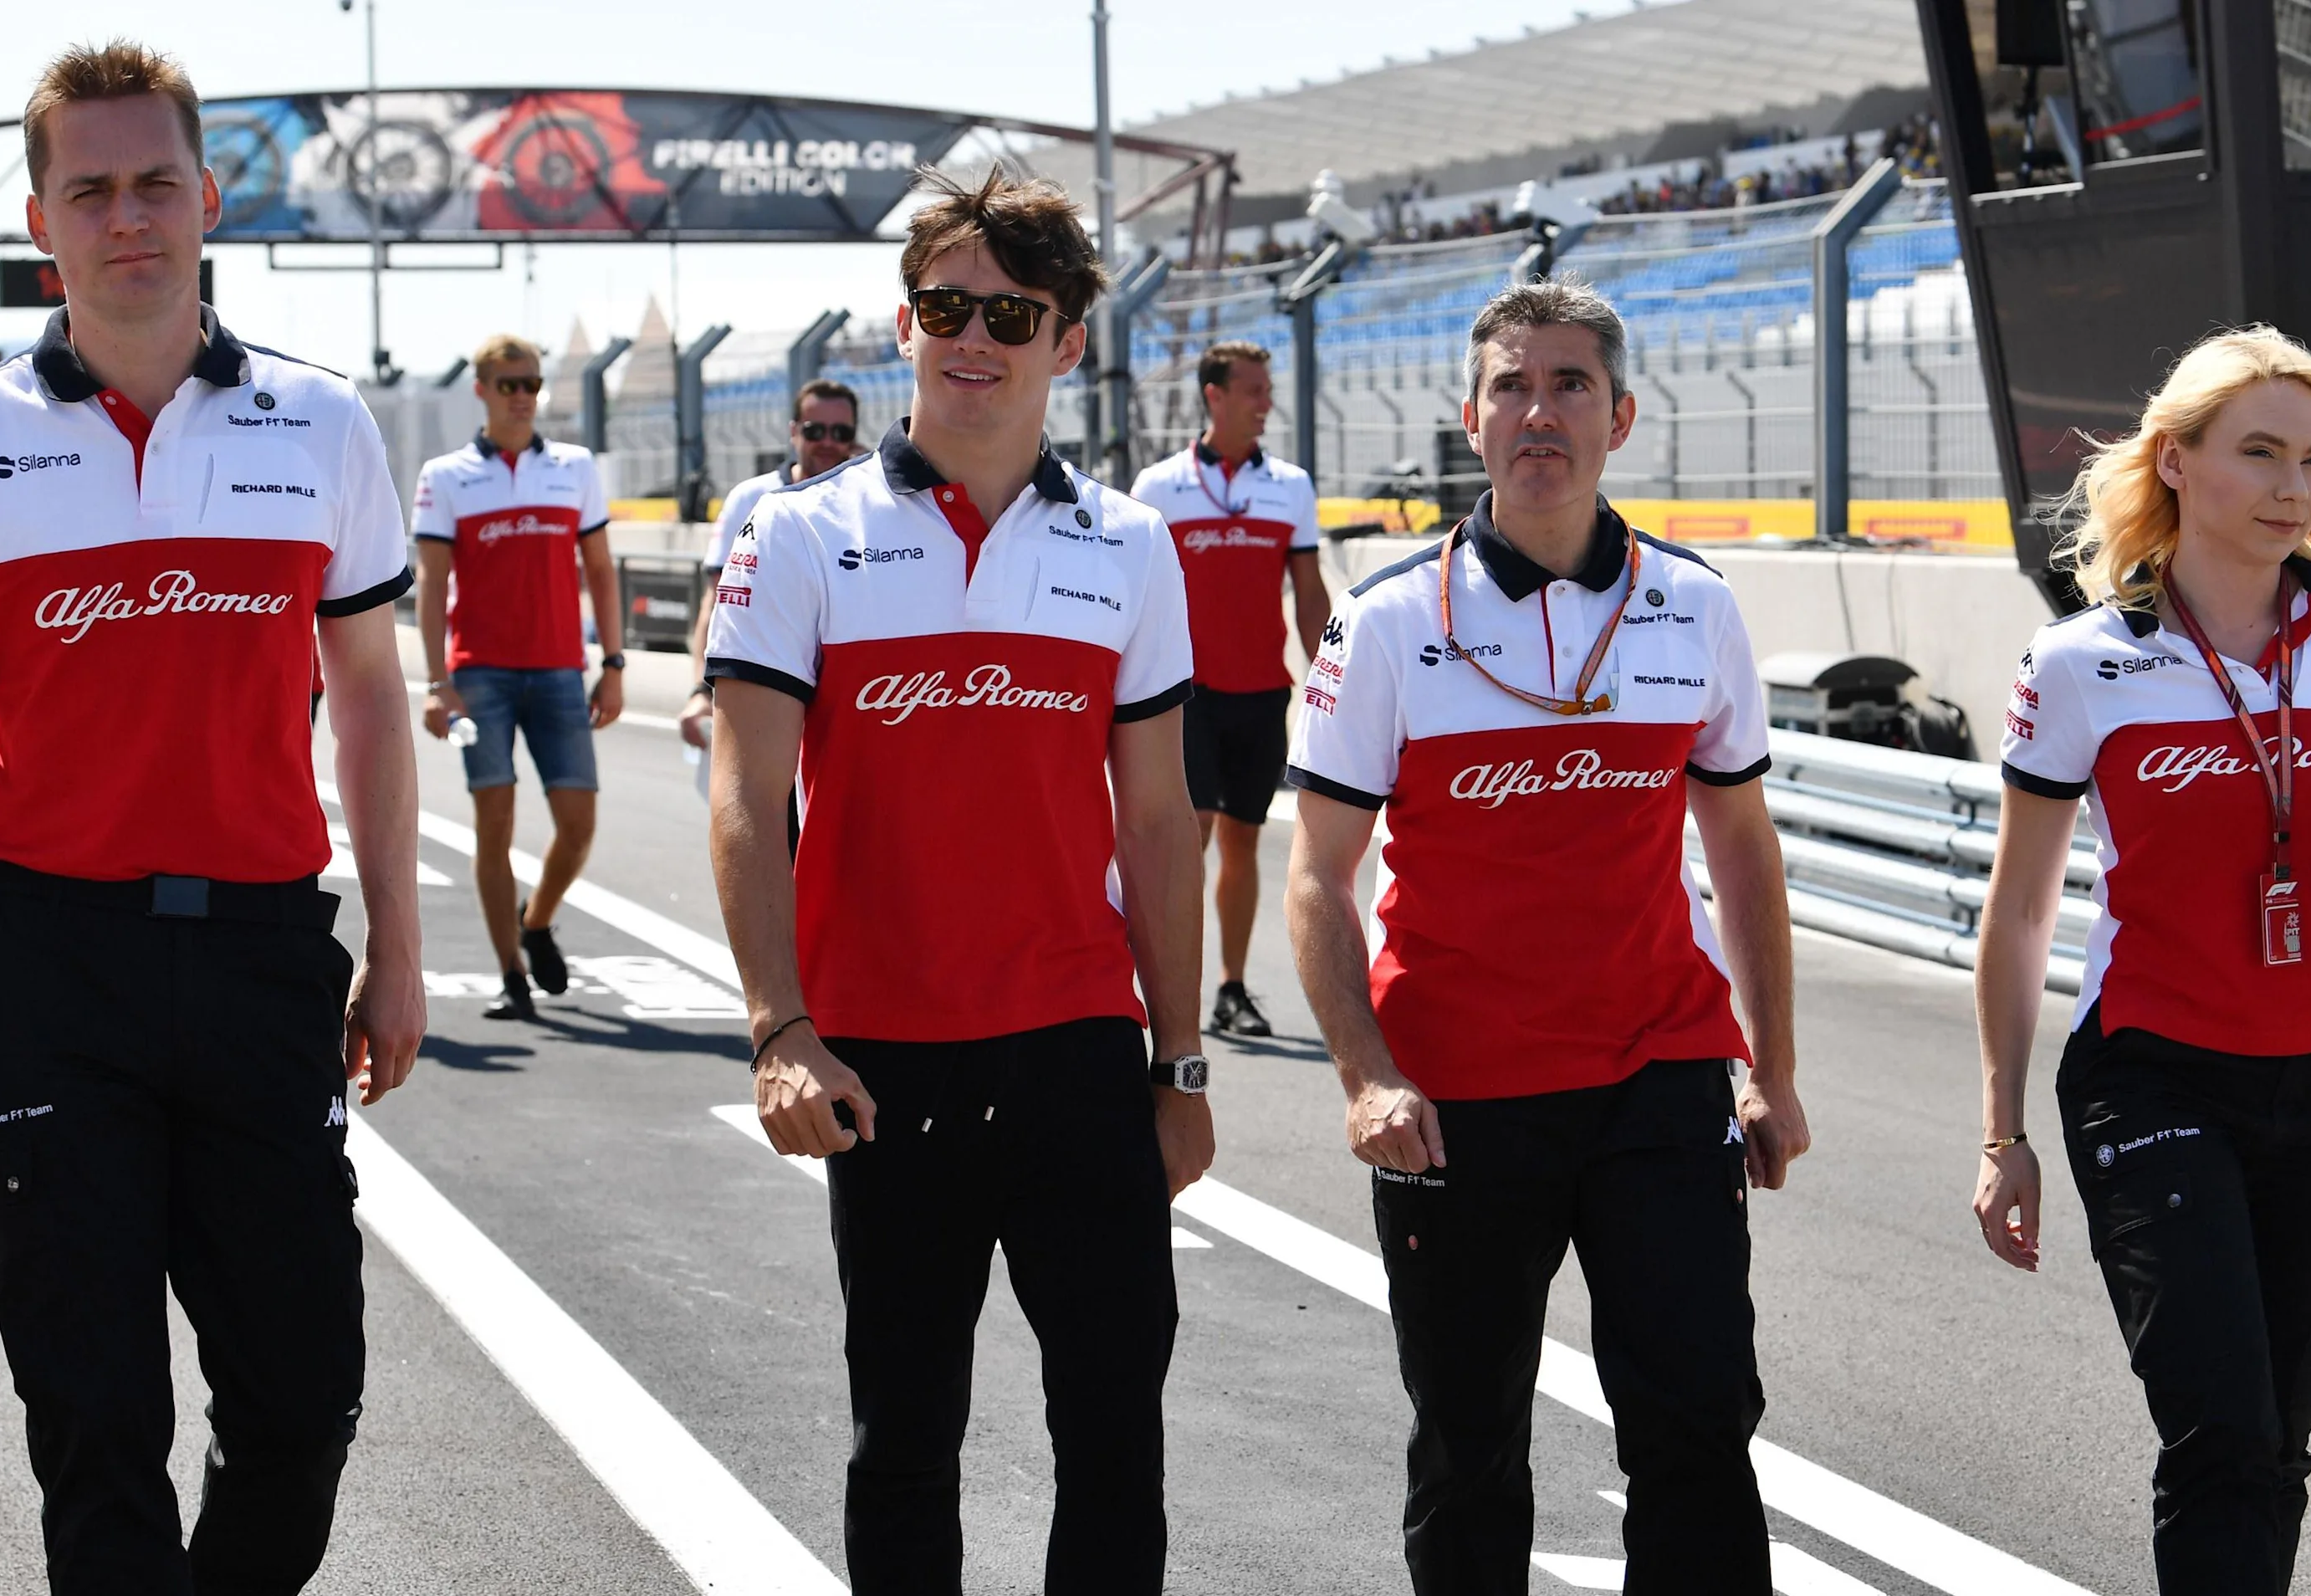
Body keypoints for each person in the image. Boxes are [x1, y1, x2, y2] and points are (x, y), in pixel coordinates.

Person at [0, 41, 425, 1595]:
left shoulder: (322, 428)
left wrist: (402, 950)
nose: (128, 217)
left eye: (154, 182)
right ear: (41, 221)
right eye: (89, 189)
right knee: (95, 1426)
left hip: (261, 956)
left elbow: (370, 696)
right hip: (54, 960)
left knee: (303, 1406)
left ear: (207, 197)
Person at [706, 164, 1214, 1594]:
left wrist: (1178, 1063)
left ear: (1065, 342)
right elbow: (745, 792)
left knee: (1115, 1437)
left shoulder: (1128, 543)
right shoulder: (797, 531)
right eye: (946, 304)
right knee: (904, 1442)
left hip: (1076, 1054)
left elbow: (1161, 823)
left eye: (1012, 310)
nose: (972, 336)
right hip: (885, 1059)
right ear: (903, 320)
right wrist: (779, 1028)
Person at [1282, 279, 1807, 1596]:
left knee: (1696, 1428)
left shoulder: (1697, 608)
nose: (1540, 412)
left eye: (1571, 385)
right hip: (1455, 1099)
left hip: (1658, 1079)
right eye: (1513, 385)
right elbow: (1318, 877)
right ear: (1472, 420)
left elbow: (1742, 850)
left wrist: (1769, 1067)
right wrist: (1366, 1077)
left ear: (1621, 417)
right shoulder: (1391, 619)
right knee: (1471, 1453)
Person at [1972, 327, 2311, 1596]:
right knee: (2222, 1434)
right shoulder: (2080, 662)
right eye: (2260, 453)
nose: (2295, 487)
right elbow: (2020, 913)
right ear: (2176, 462)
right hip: (2156, 1080)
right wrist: (2000, 1132)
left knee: (2275, 1445)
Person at [411, 334, 624, 1021]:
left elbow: (599, 569)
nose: (524, 396)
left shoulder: (574, 466)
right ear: (482, 391)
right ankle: (511, 976)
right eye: (510, 385)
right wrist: (437, 682)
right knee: (493, 826)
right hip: (482, 679)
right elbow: (431, 582)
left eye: (532, 383)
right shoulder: (444, 477)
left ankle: (538, 922)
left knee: (580, 825)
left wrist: (613, 663)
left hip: (561, 671)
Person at [1130, 341, 1329, 1039]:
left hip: (1262, 693)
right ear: (1214, 395)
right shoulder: (1157, 486)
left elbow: (1308, 594)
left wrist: (1332, 686)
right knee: (1189, 837)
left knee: (1242, 840)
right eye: (1253, 389)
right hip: (1185, 697)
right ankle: (1161, 988)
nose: (1267, 401)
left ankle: (1232, 989)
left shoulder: (1292, 485)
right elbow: (1134, 597)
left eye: (1269, 388)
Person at [678, 376, 863, 749]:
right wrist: (701, 689)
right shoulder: (751, 498)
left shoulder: (868, 502)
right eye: (815, 430)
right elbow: (715, 605)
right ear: (794, 432)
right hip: (767, 689)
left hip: (848, 704)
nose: (828, 442)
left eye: (840, 431)